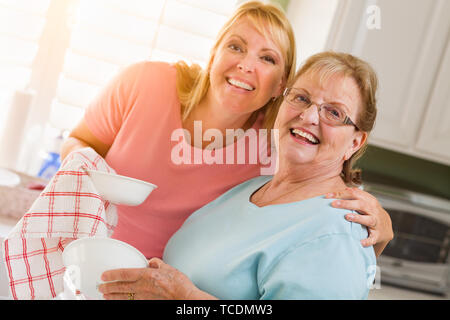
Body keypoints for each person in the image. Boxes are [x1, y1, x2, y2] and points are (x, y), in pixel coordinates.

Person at [61, 2, 392, 263]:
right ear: (214, 53)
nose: (246, 65)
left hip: (158, 287)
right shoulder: (143, 83)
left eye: (267, 57)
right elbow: (77, 144)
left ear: (281, 84)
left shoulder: (276, 143)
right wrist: (92, 183)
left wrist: (385, 227)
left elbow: (331, 196)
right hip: (81, 253)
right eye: (236, 47)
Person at [99, 51, 381, 300]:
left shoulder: (337, 236)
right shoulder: (250, 188)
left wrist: (184, 298)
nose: (308, 116)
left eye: (334, 112)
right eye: (301, 98)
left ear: (355, 142)